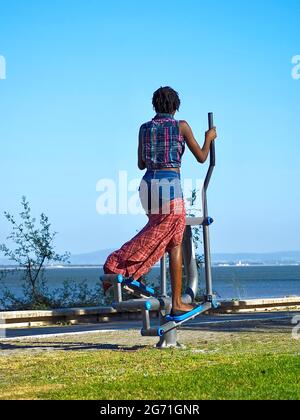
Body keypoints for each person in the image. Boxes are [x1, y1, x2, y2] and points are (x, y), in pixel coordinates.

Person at [103, 86, 217, 315]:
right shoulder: (181, 126)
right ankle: (116, 264)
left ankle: (176, 301)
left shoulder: (144, 128)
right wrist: (209, 137)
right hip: (169, 186)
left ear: (155, 106)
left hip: (147, 187)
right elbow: (203, 157)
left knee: (172, 239)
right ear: (176, 106)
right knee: (165, 236)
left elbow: (140, 163)